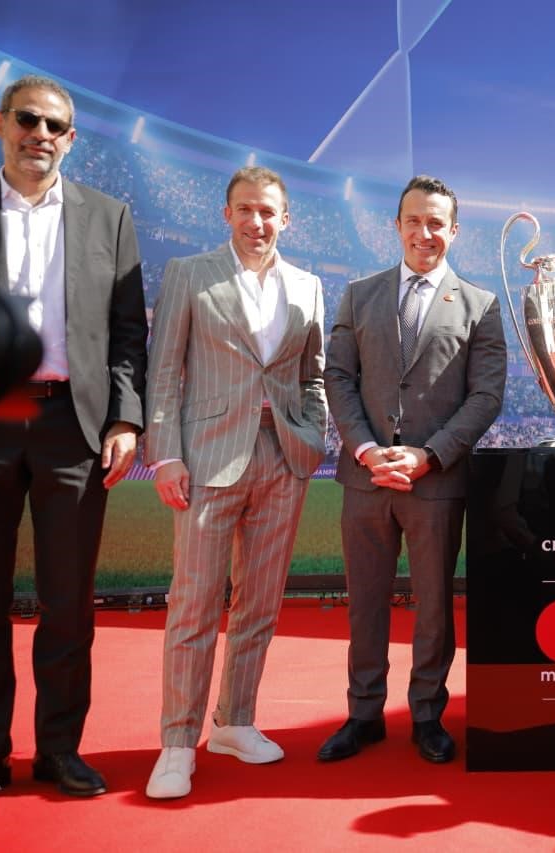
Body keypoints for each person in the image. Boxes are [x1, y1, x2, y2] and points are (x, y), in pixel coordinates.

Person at [0, 75, 147, 817]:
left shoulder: (109, 217)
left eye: (56, 126)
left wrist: (125, 419)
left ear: (71, 138)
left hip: (73, 427)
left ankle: (59, 747)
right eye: (28, 120)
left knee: (68, 603)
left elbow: (127, 331)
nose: (42, 135)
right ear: (1, 123)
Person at [140, 166, 327, 799]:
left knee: (259, 605)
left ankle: (235, 723)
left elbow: (313, 375)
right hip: (207, 459)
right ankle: (176, 742)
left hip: (283, 460)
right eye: (245, 209)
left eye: (268, 211)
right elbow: (164, 370)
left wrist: (311, 438)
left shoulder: (308, 285)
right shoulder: (190, 274)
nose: (257, 221)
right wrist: (166, 455)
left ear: (285, 219)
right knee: (193, 604)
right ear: (227, 214)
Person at [320, 175, 505, 765]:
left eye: (436, 223)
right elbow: (337, 377)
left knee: (433, 608)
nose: (425, 233)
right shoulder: (359, 295)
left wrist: (429, 455)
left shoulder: (480, 305)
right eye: (414, 221)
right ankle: (363, 714)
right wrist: (365, 449)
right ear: (396, 225)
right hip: (366, 477)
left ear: (454, 230)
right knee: (365, 603)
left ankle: (427, 714)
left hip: (437, 482)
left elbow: (486, 396)